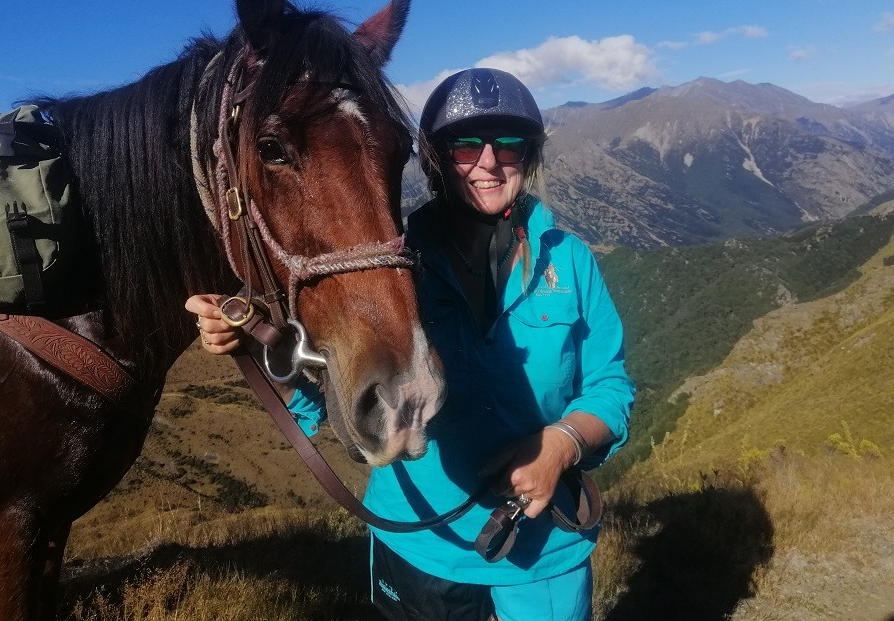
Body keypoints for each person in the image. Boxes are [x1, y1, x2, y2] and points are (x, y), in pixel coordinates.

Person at [187, 68, 635, 621]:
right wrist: (255, 343)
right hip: (419, 543)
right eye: (466, 145)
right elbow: (327, 387)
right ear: (436, 158)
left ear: (529, 155)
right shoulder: (384, 269)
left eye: (509, 144)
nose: (489, 162)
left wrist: (561, 444)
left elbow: (610, 386)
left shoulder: (570, 261)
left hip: (543, 547)